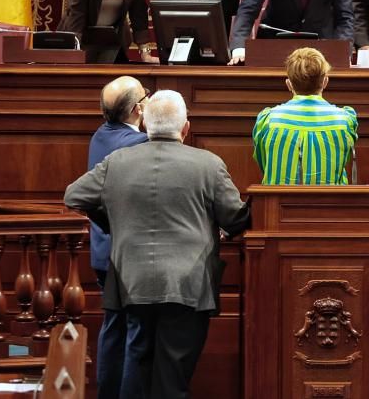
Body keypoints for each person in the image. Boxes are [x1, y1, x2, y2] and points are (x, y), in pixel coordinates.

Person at [64, 90, 250, 399]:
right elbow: (234, 219)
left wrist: (112, 221)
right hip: (186, 285)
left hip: (131, 283)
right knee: (172, 379)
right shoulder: (209, 164)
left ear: (145, 124)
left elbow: (74, 196)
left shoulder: (117, 161)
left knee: (137, 369)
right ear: (186, 128)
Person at [87, 76, 149, 399]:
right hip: (127, 257)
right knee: (136, 334)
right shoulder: (139, 145)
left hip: (102, 251)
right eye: (146, 96)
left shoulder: (99, 136)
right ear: (139, 108)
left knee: (113, 329)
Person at [253, 47, 357, 184]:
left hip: (278, 204)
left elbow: (265, 165)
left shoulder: (268, 120)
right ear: (325, 82)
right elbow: (343, 161)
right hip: (330, 204)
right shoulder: (345, 120)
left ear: (289, 84)